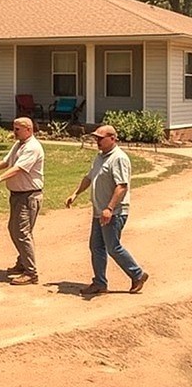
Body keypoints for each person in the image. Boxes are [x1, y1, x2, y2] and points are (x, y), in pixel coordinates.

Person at [66, 124, 150, 296]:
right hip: (100, 210)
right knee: (96, 246)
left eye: (100, 138)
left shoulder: (119, 158)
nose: (97, 141)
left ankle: (137, 274)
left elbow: (121, 186)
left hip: (114, 212)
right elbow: (89, 177)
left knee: (113, 247)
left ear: (112, 138)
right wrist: (75, 194)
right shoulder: (100, 157)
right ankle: (99, 283)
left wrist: (110, 208)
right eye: (96, 138)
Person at [0, 117, 44, 285]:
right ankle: (22, 263)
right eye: (14, 128)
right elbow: (7, 162)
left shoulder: (32, 147)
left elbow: (19, 168)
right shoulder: (19, 144)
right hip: (18, 195)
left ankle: (31, 272)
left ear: (28, 129)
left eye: (17, 129)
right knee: (16, 230)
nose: (14, 132)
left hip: (28, 196)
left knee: (21, 232)